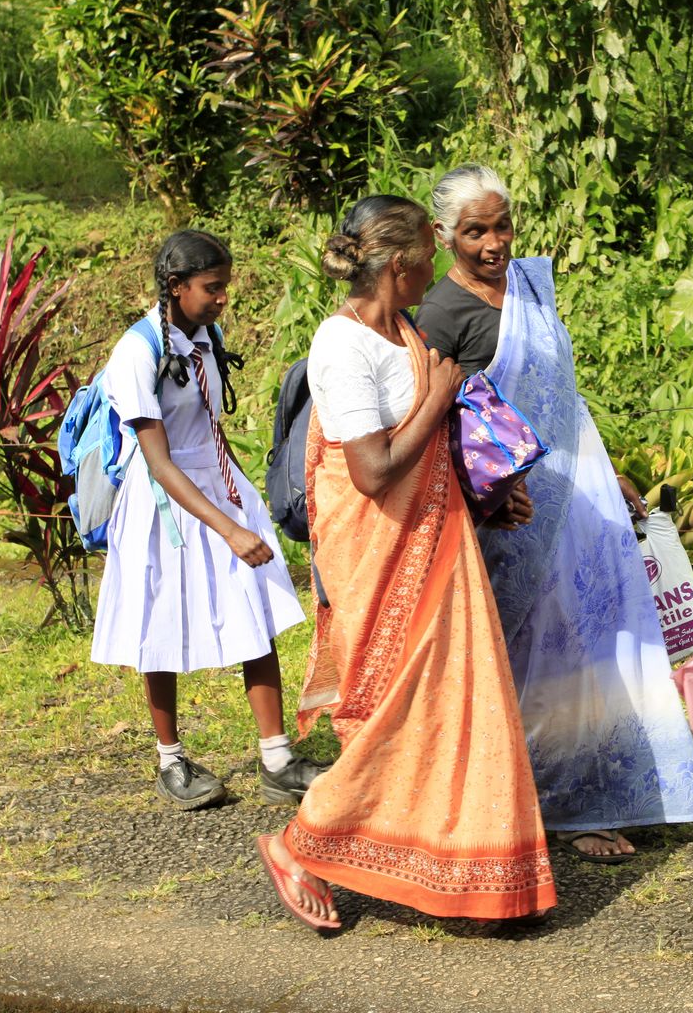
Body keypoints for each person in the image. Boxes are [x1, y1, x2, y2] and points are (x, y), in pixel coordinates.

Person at [257, 196, 557, 931]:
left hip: (440, 545)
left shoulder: (407, 332)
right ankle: (301, 843)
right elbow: (372, 470)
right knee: (397, 712)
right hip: (382, 556)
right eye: (433, 247)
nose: (442, 258)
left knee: (458, 709)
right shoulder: (342, 344)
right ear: (399, 262)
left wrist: (490, 497)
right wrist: (440, 394)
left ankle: (466, 868)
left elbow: (433, 452)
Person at [416, 164, 693, 862]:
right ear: (443, 235)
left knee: (598, 648)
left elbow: (564, 396)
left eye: (502, 224)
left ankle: (610, 785)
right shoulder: (438, 317)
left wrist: (611, 471)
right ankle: (559, 806)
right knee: (540, 659)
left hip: (579, 496)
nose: (493, 242)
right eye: (474, 230)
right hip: (510, 516)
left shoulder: (528, 288)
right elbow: (435, 426)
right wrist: (484, 493)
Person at [91, 229, 323, 810]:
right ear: (176, 287)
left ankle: (277, 758)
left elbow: (210, 431)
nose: (223, 298)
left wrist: (244, 501)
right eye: (212, 288)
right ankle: (171, 760)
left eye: (225, 286)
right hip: (164, 500)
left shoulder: (204, 336)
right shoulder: (136, 353)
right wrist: (229, 529)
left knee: (254, 612)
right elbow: (159, 461)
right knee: (159, 628)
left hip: (218, 486)